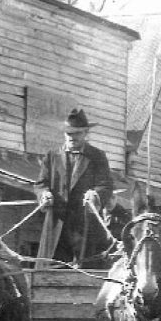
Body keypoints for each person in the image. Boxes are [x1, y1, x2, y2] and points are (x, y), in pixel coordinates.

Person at [34, 108, 113, 266]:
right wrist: (44, 194)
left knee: (86, 272)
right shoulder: (52, 156)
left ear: (86, 133)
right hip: (56, 226)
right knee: (49, 273)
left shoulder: (97, 156)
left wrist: (96, 195)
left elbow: (106, 184)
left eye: (77, 133)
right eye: (68, 133)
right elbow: (41, 183)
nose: (72, 137)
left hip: (85, 228)